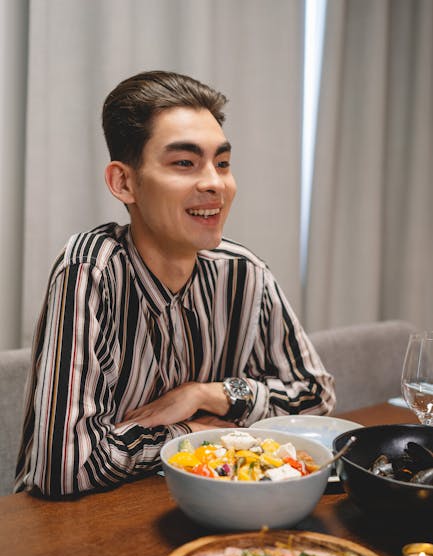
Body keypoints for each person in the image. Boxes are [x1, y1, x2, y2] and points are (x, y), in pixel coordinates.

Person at [15, 71, 335, 497]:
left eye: (222, 163)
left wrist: (211, 393)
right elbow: (66, 464)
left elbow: (317, 398)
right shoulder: (89, 271)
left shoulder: (242, 273)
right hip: (72, 529)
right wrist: (191, 434)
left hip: (198, 508)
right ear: (123, 182)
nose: (214, 183)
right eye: (184, 163)